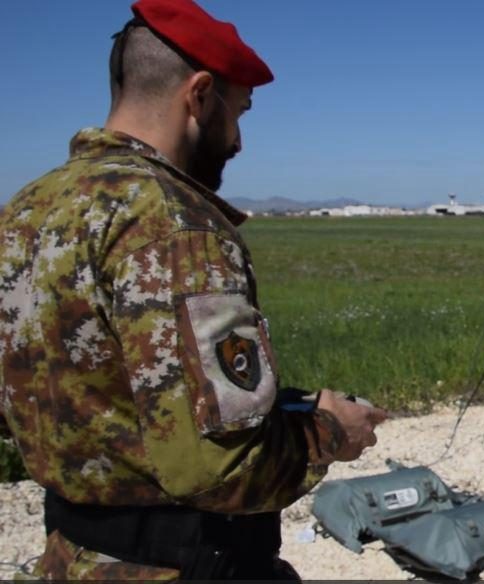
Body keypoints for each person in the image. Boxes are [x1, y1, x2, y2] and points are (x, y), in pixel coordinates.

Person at [0, 0, 387, 579]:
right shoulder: (177, 226)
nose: (239, 141)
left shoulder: (27, 212)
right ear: (200, 96)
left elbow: (96, 395)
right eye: (240, 112)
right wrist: (330, 428)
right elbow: (224, 468)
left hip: (67, 559)